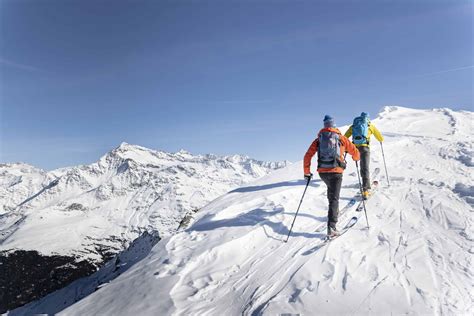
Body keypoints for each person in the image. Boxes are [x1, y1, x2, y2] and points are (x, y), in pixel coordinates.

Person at [304, 115, 360, 237]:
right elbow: (354, 151)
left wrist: (307, 172)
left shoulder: (319, 139)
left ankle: (332, 212)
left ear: (324, 125)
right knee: (334, 199)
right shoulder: (341, 137)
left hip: (322, 172)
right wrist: (356, 158)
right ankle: (332, 227)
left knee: (331, 192)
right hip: (336, 171)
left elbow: (307, 155)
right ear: (334, 125)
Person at [344, 112, 384, 199]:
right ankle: (366, 189)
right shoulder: (370, 126)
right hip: (365, 148)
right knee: (365, 167)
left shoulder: (354, 126)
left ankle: (364, 183)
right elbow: (380, 137)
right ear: (367, 118)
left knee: (361, 167)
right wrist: (380, 140)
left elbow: (344, 137)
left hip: (354, 149)